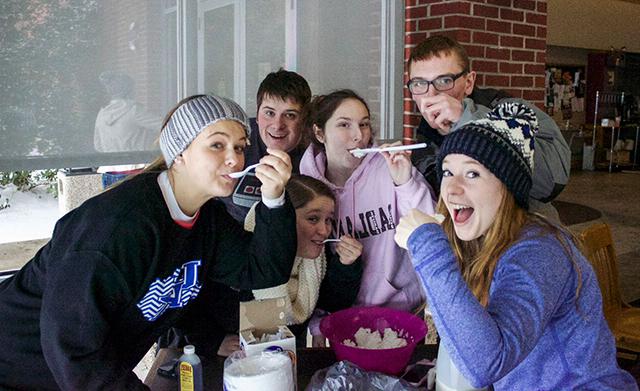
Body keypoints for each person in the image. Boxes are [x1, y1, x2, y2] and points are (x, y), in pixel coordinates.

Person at [0, 94, 298, 390]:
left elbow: (261, 270)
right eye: (217, 145)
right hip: (19, 370)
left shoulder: (207, 220)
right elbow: (75, 353)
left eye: (240, 147)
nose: (234, 158)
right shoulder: (117, 229)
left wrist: (273, 200)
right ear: (180, 153)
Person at [395, 102, 637, 390]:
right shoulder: (487, 238)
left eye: (472, 174)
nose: (452, 188)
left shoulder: (540, 250)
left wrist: (427, 247)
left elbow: (488, 363)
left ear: (507, 186)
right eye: (447, 172)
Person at [299, 89, 435, 314]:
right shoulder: (307, 184)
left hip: (400, 310)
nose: (358, 136)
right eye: (344, 125)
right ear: (320, 133)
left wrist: (405, 183)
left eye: (363, 124)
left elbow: (431, 229)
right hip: (337, 315)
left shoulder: (389, 168)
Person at [406, 35, 570, 219]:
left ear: (468, 83)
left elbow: (552, 181)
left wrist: (468, 118)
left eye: (444, 81)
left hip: (521, 238)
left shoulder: (509, 110)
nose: (431, 93)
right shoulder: (422, 144)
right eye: (419, 83)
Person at [219, 174, 364, 349]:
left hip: (287, 354)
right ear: (283, 218)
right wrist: (214, 341)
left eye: (329, 220)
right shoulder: (238, 256)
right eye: (313, 219)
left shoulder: (318, 261)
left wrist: (346, 265)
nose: (325, 230)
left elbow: (332, 303)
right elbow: (196, 306)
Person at [221, 68, 312, 222]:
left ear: (304, 121)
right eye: (269, 113)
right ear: (256, 116)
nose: (277, 125)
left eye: (290, 115)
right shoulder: (235, 140)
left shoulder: (315, 157)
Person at [94, 70, 162, 153]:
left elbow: (98, 146)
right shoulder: (134, 111)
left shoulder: (102, 114)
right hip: (136, 163)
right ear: (130, 90)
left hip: (110, 164)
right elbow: (165, 126)